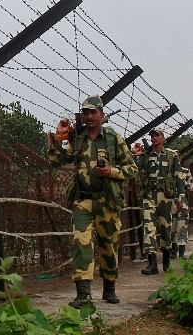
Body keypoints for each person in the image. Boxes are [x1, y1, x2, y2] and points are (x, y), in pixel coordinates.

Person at [48, 96, 136, 307]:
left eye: (92, 112)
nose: (88, 117)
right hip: (83, 201)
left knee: (109, 246)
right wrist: (57, 140)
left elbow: (132, 170)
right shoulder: (77, 139)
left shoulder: (113, 138)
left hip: (107, 201)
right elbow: (56, 161)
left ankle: (109, 288)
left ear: (101, 115)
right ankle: (83, 293)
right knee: (81, 243)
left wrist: (111, 171)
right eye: (85, 113)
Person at [136, 127, 180, 275]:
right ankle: (152, 263)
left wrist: (179, 197)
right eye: (152, 136)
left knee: (165, 227)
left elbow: (178, 177)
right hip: (149, 195)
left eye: (157, 135)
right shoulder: (146, 156)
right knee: (148, 227)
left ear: (163, 137)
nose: (154, 138)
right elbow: (136, 169)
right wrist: (137, 155)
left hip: (165, 196)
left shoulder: (171, 155)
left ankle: (166, 262)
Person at [171, 166, 192, 259]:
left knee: (182, 227)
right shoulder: (166, 169)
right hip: (170, 204)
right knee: (172, 229)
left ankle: (182, 254)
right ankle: (173, 251)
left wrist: (184, 184)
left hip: (183, 205)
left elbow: (191, 186)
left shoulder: (186, 171)